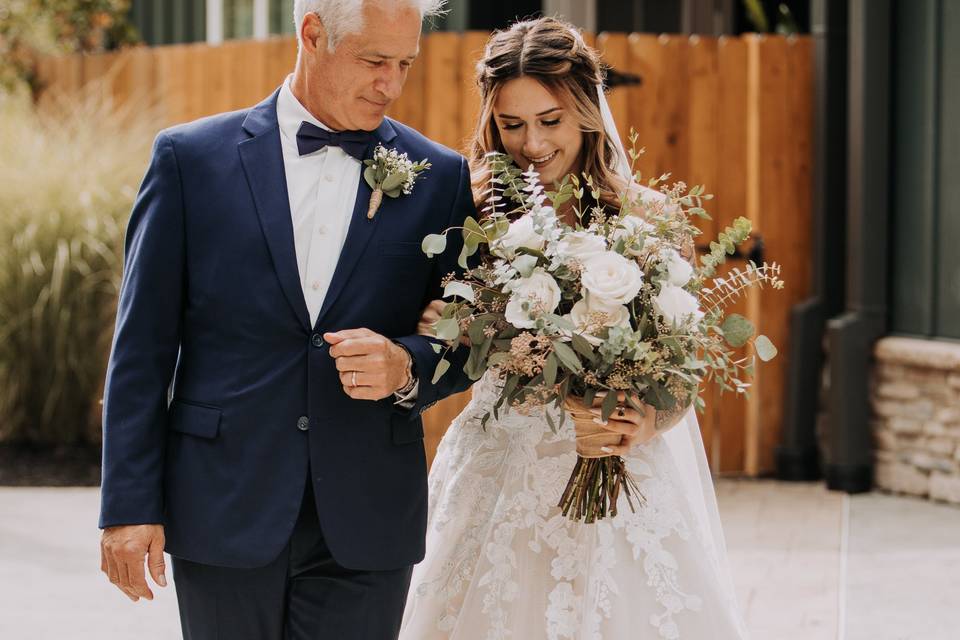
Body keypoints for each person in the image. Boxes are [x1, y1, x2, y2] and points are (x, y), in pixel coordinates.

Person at [97, 1, 474, 638]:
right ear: (313, 33)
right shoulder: (189, 161)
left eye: (405, 63)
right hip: (221, 506)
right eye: (374, 61)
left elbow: (474, 335)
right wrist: (128, 506)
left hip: (368, 517)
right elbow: (141, 348)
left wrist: (407, 364)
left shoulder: (439, 177)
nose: (392, 83)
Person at [400, 17, 751, 639]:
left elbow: (682, 368)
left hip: (614, 467)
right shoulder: (472, 211)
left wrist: (645, 422)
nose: (531, 143)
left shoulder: (648, 217)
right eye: (512, 124)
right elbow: (443, 335)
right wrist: (447, 327)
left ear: (586, 110)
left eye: (549, 121)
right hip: (499, 460)